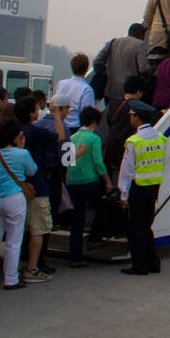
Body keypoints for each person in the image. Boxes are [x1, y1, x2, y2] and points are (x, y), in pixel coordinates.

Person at [0, 118, 35, 290]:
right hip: (15, 198)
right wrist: (22, 148)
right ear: (16, 136)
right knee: (14, 240)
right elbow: (32, 170)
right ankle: (10, 278)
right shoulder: (22, 154)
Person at [14, 96, 64, 281]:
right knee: (39, 228)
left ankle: (16, 266)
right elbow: (60, 136)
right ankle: (33, 268)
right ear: (31, 113)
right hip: (36, 185)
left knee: (20, 230)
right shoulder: (35, 132)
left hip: (16, 187)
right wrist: (57, 114)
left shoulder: (12, 131)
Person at [118, 101, 165, 275]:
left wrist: (123, 193)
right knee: (146, 227)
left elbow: (127, 171)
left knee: (135, 228)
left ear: (136, 118)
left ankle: (139, 265)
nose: (130, 119)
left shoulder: (134, 141)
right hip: (153, 188)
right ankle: (153, 263)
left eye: (131, 116)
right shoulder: (160, 138)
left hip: (137, 189)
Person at [65, 106, 112, 267]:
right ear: (95, 122)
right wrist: (107, 180)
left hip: (72, 181)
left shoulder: (71, 137)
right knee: (102, 208)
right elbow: (98, 162)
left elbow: (66, 161)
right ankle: (95, 238)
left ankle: (75, 257)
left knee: (76, 221)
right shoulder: (94, 138)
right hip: (90, 181)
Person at [93, 23, 150, 116]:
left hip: (111, 91)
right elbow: (143, 68)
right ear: (140, 33)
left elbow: (97, 61)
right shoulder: (140, 45)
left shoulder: (113, 42)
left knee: (112, 117)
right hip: (129, 93)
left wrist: (104, 73)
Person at [104, 74, 145, 181]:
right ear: (138, 92)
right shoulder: (137, 107)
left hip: (111, 146)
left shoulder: (113, 103)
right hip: (126, 149)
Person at [54, 53, 96, 132]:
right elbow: (87, 115)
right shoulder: (87, 89)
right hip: (76, 128)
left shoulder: (61, 84)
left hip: (59, 125)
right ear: (87, 69)